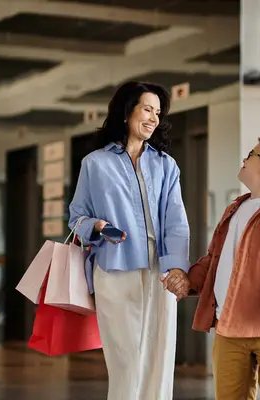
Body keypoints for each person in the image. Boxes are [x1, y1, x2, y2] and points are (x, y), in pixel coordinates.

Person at [68, 81, 190, 400]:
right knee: (125, 360)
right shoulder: (95, 163)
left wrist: (177, 269)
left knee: (159, 357)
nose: (153, 118)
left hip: (159, 270)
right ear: (127, 111)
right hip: (114, 267)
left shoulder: (166, 165)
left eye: (158, 112)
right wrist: (98, 227)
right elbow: (76, 217)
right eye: (147, 109)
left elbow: (177, 221)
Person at [163, 135, 260, 400]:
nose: (245, 159)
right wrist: (187, 281)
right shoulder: (235, 208)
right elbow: (213, 260)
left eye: (251, 154)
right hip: (227, 327)